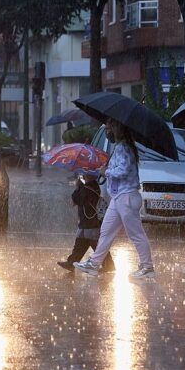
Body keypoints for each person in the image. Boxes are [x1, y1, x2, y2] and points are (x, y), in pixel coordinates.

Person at [74, 119, 155, 279]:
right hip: (118, 197)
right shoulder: (119, 147)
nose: (108, 130)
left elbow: (123, 170)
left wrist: (107, 172)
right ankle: (94, 264)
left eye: (110, 127)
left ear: (119, 129)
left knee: (136, 234)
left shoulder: (123, 148)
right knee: (106, 231)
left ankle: (147, 267)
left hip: (127, 197)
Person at [57, 172, 115, 273]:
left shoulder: (87, 189)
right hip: (88, 221)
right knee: (81, 243)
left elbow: (77, 200)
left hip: (90, 222)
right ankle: (71, 263)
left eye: (85, 174)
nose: (84, 175)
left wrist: (78, 187)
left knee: (96, 244)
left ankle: (108, 265)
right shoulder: (92, 186)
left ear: (89, 176)